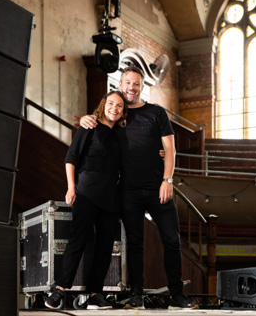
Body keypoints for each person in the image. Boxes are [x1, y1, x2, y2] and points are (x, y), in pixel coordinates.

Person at [80, 66, 198, 309]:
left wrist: (168, 180)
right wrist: (85, 118)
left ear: (142, 87)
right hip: (128, 191)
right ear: (120, 85)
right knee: (134, 243)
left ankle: (178, 295)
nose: (131, 88)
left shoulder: (156, 113)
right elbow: (98, 127)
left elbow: (170, 149)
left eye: (136, 84)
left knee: (172, 240)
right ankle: (136, 294)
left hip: (158, 187)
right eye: (127, 83)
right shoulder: (117, 114)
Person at [45, 91, 128, 310]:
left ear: (123, 111)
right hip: (87, 192)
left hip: (111, 197)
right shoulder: (89, 126)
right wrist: (71, 187)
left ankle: (94, 295)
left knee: (104, 248)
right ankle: (59, 290)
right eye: (111, 103)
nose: (115, 108)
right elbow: (71, 158)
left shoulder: (121, 134)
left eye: (119, 106)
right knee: (78, 240)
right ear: (104, 104)